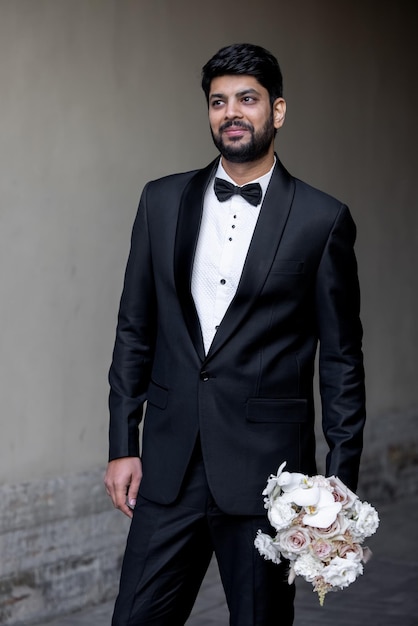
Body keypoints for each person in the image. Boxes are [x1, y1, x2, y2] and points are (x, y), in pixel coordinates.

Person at [104, 42, 366, 626]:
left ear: (277, 111)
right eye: (218, 102)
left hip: (269, 478)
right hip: (170, 466)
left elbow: (342, 361)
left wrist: (338, 485)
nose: (231, 113)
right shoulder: (161, 201)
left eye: (247, 99)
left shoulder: (322, 220)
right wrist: (124, 440)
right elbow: (134, 328)